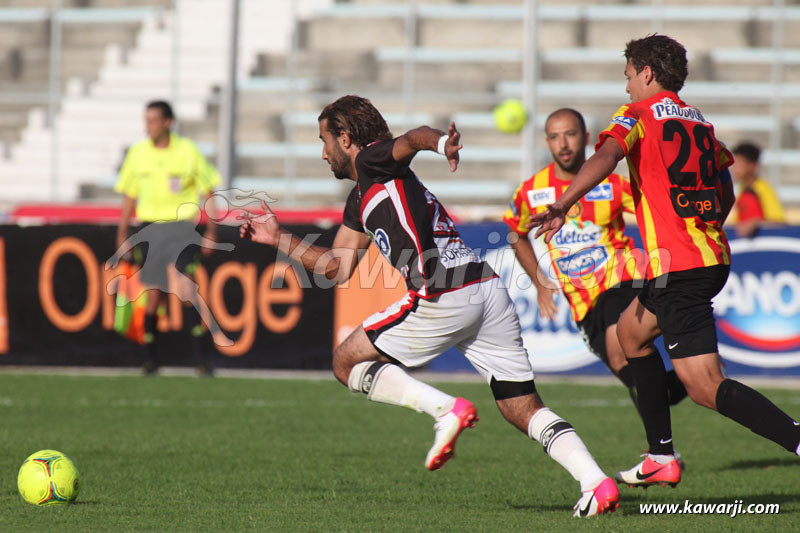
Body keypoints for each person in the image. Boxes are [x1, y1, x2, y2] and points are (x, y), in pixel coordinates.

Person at [240, 95, 620, 517]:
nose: (323, 151)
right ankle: (596, 483)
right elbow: (336, 268)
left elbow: (413, 138)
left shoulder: (372, 160)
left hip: (443, 292)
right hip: (485, 290)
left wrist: (441, 144)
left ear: (345, 139)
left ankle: (447, 410)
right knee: (520, 406)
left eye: (324, 140)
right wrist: (278, 238)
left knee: (346, 362)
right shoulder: (360, 196)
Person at [530, 34, 800, 491]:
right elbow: (726, 184)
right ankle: (660, 456)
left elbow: (607, 155)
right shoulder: (700, 123)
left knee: (705, 386)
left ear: (647, 73)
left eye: (629, 76)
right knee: (630, 336)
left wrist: (564, 203)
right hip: (699, 257)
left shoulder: (636, 115)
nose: (628, 87)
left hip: (680, 267)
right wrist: (706, 224)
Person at [503, 107, 687, 419]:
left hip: (624, 281)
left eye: (570, 134)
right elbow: (515, 234)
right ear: (547, 143)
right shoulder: (532, 192)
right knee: (630, 372)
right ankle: (678, 403)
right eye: (554, 137)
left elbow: (655, 211)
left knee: (622, 347)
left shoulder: (612, 185)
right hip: (584, 303)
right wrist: (540, 283)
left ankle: (660, 451)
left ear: (587, 138)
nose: (563, 144)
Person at [113, 100, 227, 375]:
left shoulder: (187, 151)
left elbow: (208, 191)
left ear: (168, 123)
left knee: (186, 288)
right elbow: (129, 196)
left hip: (181, 229)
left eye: (153, 120)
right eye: (146, 120)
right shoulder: (138, 153)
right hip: (151, 228)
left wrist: (212, 229)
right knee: (153, 294)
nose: (148, 126)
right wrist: (122, 234)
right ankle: (149, 359)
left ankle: (201, 359)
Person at [729, 141, 786, 237]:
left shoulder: (762, 188)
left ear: (752, 166)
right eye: (734, 165)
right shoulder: (742, 190)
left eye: (739, 164)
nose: (735, 169)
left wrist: (754, 223)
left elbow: (778, 221)